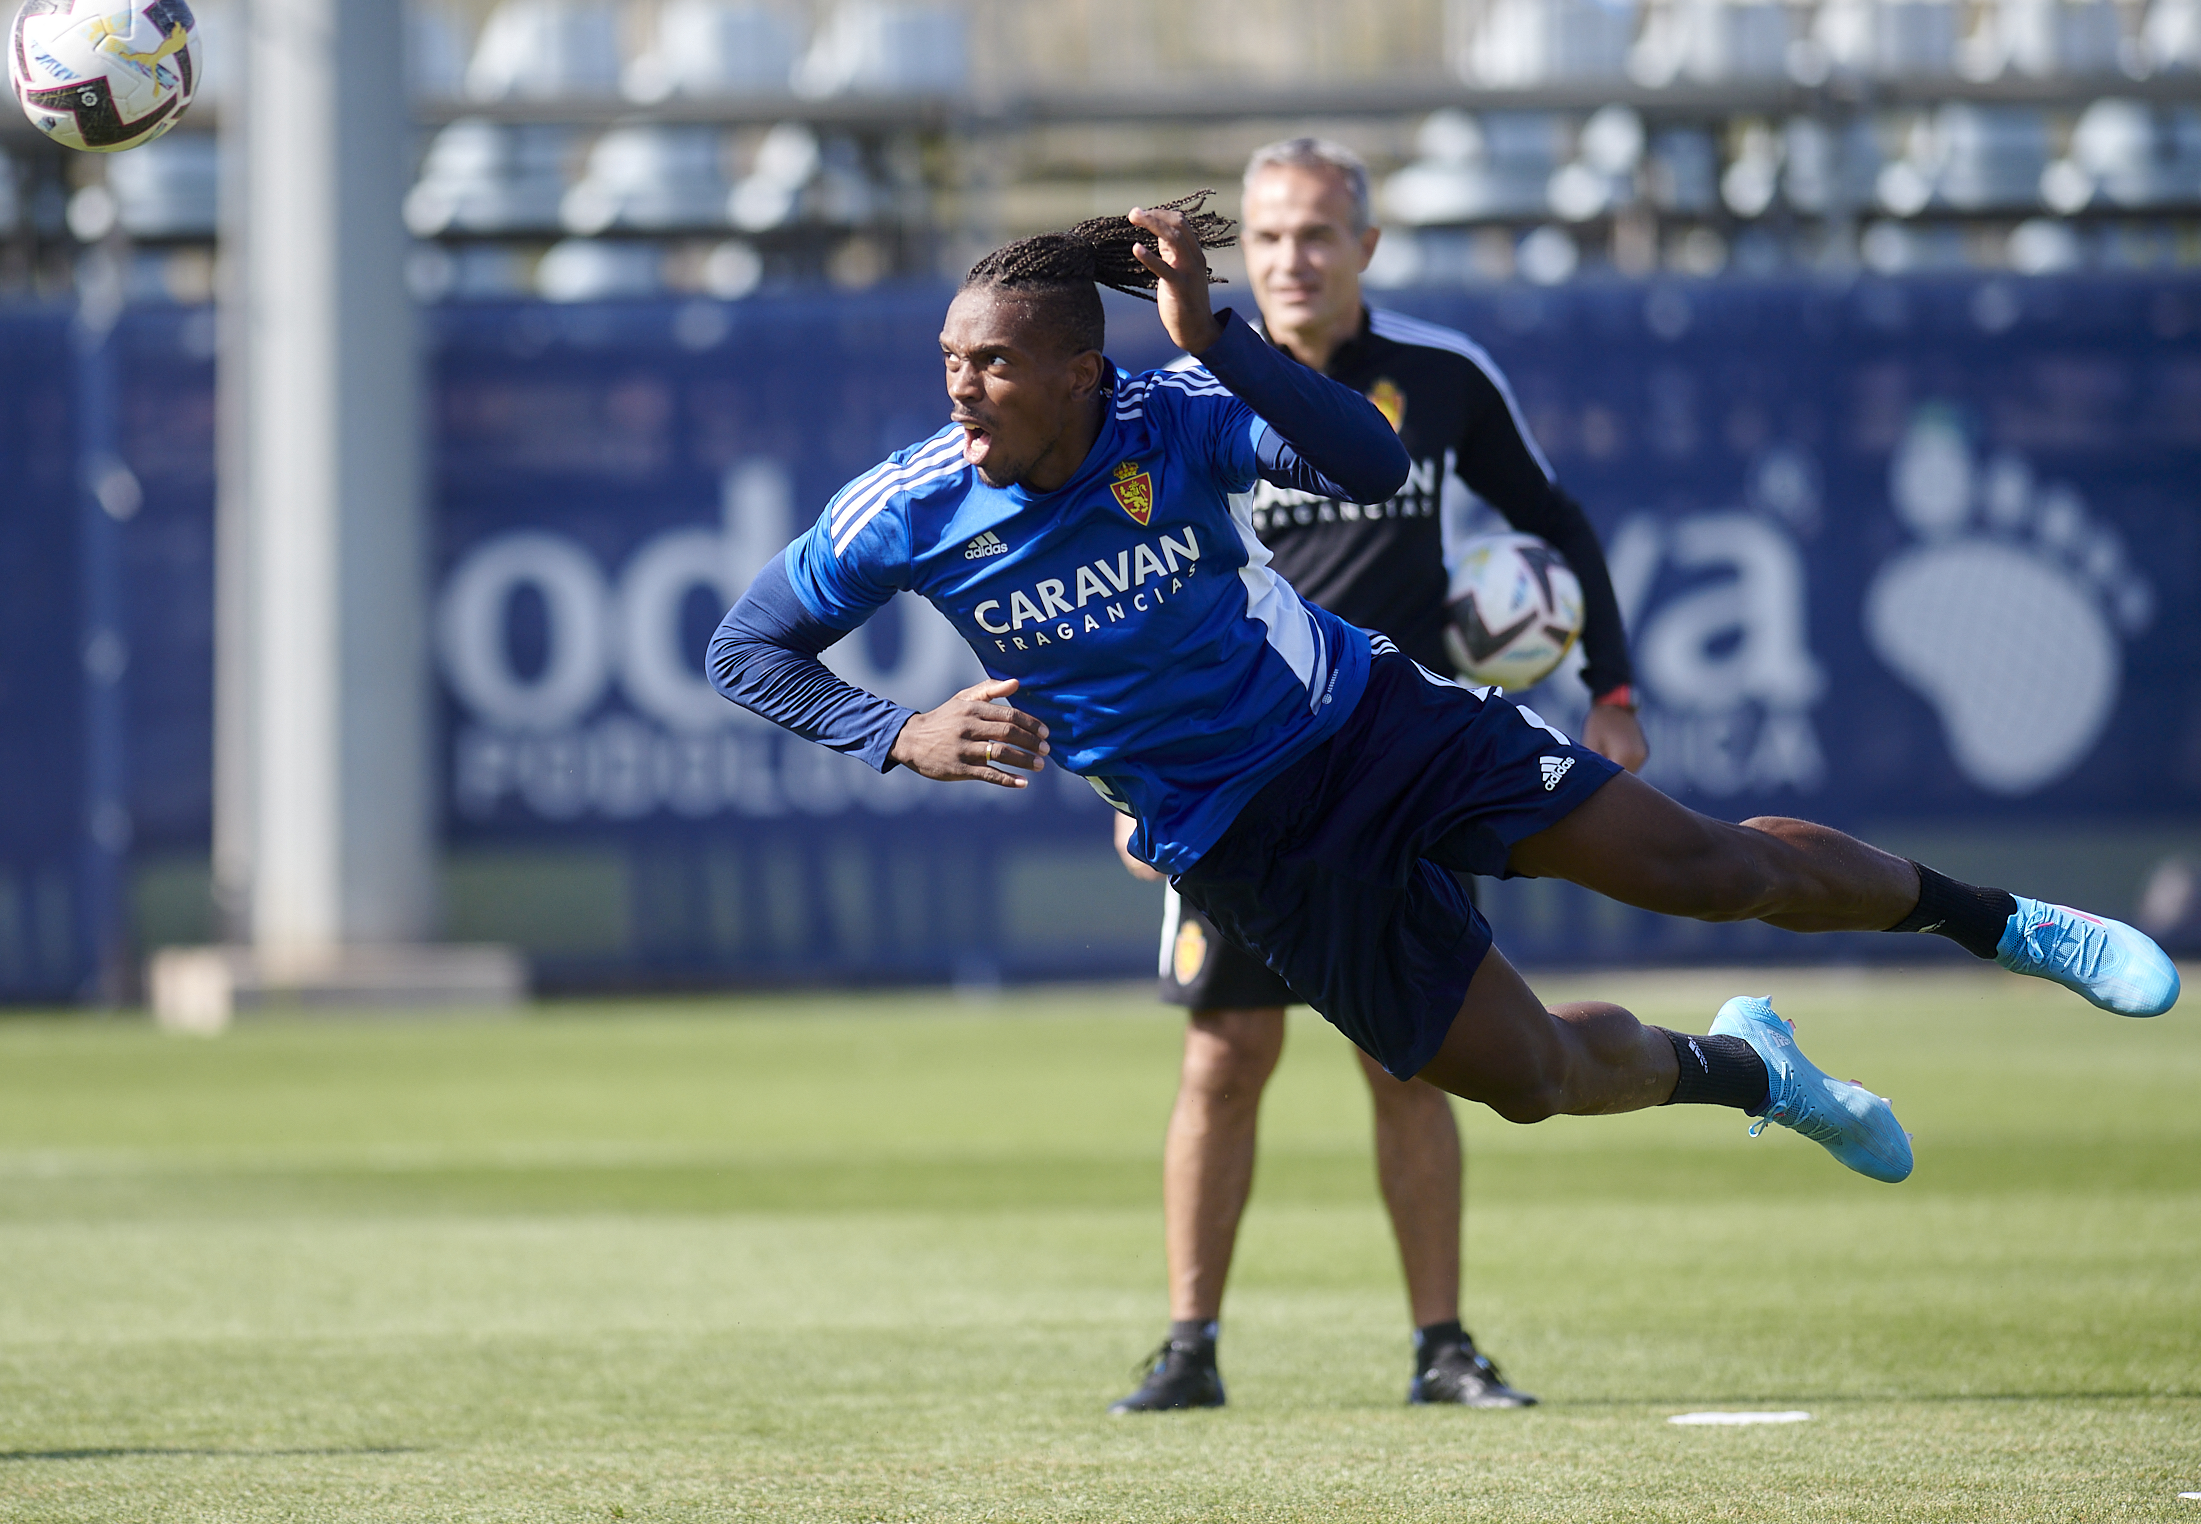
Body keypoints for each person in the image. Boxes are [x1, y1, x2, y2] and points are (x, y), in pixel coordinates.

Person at [704, 194, 2179, 1405]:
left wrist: (1217, 342)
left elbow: (1361, 458)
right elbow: (744, 644)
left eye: (995, 364)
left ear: (1084, 371)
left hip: (1372, 724)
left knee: (1707, 870)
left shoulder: (1169, 416)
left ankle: (2011, 927)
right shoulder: (904, 507)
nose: (962, 390)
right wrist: (896, 733)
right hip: (1247, 854)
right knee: (1526, 1080)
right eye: (951, 360)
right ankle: (1753, 1072)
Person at [1106, 136, 1645, 1416]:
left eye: (1316, 234)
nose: (1291, 258)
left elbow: (1556, 521)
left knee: (1411, 1054)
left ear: (1366, 246)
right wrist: (1135, 788)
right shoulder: (1178, 393)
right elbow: (1121, 614)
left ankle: (1442, 1344)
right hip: (1233, 778)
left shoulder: (1441, 379)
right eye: (1270, 234)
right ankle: (1188, 1344)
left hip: (1398, 763)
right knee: (1224, 1052)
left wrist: (1610, 693)